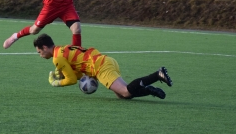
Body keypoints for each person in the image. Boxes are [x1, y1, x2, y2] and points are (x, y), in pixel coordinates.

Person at [33, 34, 173, 100]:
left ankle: (157, 74)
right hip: (105, 61)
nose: (40, 55)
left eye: (39, 52)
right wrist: (64, 74)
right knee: (123, 96)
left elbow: (71, 80)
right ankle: (150, 90)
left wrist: (56, 83)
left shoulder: (57, 58)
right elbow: (78, 74)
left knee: (125, 91)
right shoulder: (62, 49)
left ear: (45, 47)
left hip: (100, 67)